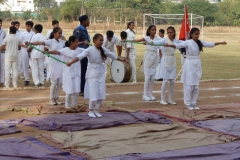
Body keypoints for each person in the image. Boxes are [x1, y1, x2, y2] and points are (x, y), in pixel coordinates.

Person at [165, 27, 227, 110]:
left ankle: (193, 103)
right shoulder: (188, 42)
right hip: (189, 64)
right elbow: (178, 45)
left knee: (196, 86)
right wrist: (169, 45)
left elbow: (210, 44)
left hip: (196, 64)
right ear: (191, 34)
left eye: (198, 34)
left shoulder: (200, 43)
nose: (197, 36)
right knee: (189, 85)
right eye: (196, 34)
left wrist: (221, 42)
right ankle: (188, 103)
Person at [66, 34, 126, 118]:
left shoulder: (103, 49)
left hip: (101, 72)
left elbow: (112, 55)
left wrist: (121, 59)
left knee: (101, 92)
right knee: (93, 92)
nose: (102, 42)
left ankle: (96, 110)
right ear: (94, 40)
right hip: (92, 73)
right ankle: (90, 111)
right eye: (100, 40)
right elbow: (80, 56)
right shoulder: (89, 50)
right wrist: (71, 62)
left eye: (102, 40)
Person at [27, 27, 65, 105]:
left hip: (60, 64)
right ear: (54, 33)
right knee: (54, 83)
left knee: (60, 83)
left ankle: (57, 98)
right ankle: (51, 99)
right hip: (53, 64)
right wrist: (31, 43)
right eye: (59, 33)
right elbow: (40, 43)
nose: (60, 35)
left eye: (61, 33)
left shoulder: (63, 42)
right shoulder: (50, 41)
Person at [44, 36, 85, 108]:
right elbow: (57, 52)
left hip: (77, 72)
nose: (78, 43)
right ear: (72, 42)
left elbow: (88, 51)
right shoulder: (65, 50)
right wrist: (47, 52)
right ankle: (67, 104)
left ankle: (74, 104)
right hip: (68, 72)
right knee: (69, 89)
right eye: (76, 42)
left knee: (77, 89)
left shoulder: (79, 50)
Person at [127, 25, 161, 101]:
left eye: (155, 30)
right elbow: (138, 40)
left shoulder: (158, 39)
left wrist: (160, 57)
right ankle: (145, 94)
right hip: (148, 58)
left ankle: (150, 94)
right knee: (147, 78)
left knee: (153, 78)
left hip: (154, 58)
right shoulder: (146, 38)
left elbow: (160, 47)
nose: (154, 31)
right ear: (149, 31)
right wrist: (130, 41)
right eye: (152, 30)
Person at [153, 26, 182, 105]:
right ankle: (162, 99)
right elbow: (155, 43)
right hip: (165, 60)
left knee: (172, 81)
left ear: (174, 33)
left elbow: (183, 44)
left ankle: (170, 99)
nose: (169, 34)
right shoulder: (164, 40)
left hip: (172, 60)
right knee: (165, 81)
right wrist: (150, 42)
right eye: (168, 32)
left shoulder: (176, 41)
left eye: (171, 32)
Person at [73, 15, 90, 96]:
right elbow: (74, 42)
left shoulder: (84, 29)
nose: (89, 21)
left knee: (84, 71)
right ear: (83, 21)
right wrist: (83, 42)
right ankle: (80, 89)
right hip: (80, 53)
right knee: (81, 71)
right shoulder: (78, 30)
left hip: (85, 53)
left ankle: (82, 88)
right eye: (87, 20)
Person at [19, 21, 34, 85]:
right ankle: (26, 79)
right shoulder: (22, 34)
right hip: (24, 50)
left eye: (29, 26)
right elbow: (19, 43)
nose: (27, 27)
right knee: (25, 65)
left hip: (32, 50)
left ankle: (35, 79)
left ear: (31, 27)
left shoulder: (33, 34)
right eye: (27, 26)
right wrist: (24, 45)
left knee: (33, 65)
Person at [0, 19, 6, 85]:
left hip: (2, 50)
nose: (0, 24)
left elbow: (5, 39)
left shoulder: (3, 31)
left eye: (1, 23)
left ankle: (2, 81)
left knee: (2, 65)